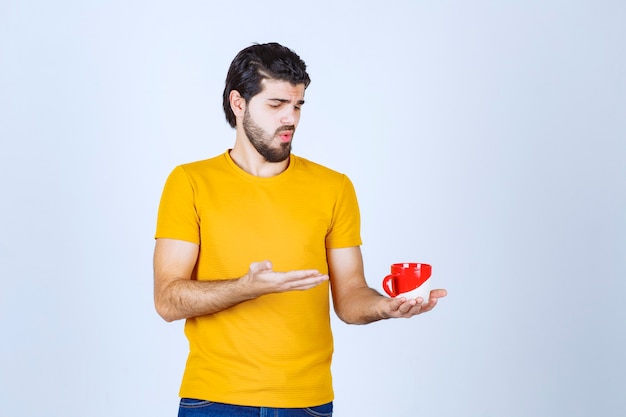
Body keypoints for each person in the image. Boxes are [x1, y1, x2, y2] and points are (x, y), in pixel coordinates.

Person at [153, 42, 447, 417]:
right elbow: (167, 299)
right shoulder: (189, 182)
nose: (290, 118)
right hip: (214, 399)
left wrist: (385, 307)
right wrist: (246, 288)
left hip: (306, 403)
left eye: (298, 105)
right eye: (276, 105)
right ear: (238, 103)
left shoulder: (333, 187)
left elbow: (351, 294)